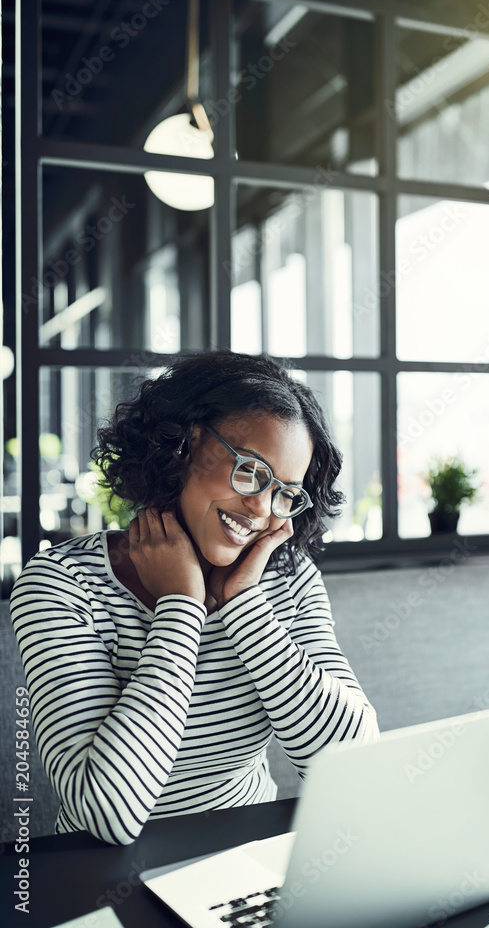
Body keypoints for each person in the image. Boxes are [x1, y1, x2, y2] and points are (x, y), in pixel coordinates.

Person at [10, 351, 379, 845]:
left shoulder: (287, 579)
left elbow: (353, 769)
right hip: (104, 876)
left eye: (285, 492)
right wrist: (181, 607)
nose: (262, 509)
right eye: (250, 471)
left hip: (245, 862)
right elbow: (107, 813)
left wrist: (245, 606)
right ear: (185, 444)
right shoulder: (62, 584)